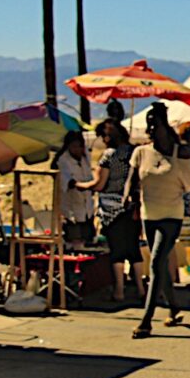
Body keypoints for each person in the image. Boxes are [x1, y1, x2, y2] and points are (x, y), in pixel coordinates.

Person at [126, 103, 190, 339]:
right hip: (149, 216)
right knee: (160, 267)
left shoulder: (180, 155)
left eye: (155, 123)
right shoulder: (141, 152)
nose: (151, 128)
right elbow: (132, 181)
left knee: (157, 260)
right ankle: (173, 307)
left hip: (171, 216)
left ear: (164, 125)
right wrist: (128, 198)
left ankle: (147, 320)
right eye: (148, 123)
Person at [76, 119, 145, 302]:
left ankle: (119, 291)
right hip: (134, 206)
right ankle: (141, 288)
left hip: (112, 208)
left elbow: (99, 184)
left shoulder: (109, 156)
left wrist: (79, 185)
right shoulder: (135, 152)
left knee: (118, 250)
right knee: (133, 249)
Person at [56, 131, 94, 250]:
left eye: (80, 146)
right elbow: (69, 182)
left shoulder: (85, 158)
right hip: (72, 208)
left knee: (88, 237)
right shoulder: (63, 161)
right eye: (74, 146)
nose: (77, 150)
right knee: (74, 240)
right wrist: (85, 185)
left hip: (87, 207)